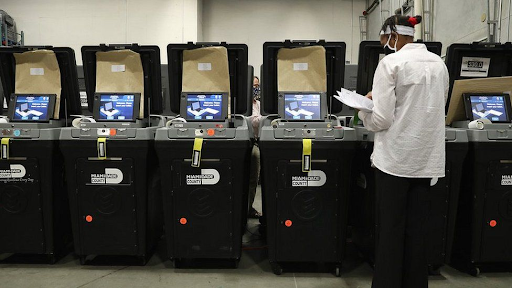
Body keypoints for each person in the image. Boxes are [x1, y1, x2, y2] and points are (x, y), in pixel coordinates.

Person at [358, 14, 449, 288]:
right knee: (417, 231)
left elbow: (382, 120)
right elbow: (436, 108)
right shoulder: (439, 64)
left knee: (390, 232)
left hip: (395, 162)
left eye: (384, 38)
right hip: (425, 160)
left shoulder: (391, 63)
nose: (384, 44)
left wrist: (363, 109)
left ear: (393, 36)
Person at [248, 76, 262, 218]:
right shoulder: (243, 106)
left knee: (254, 179)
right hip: (249, 142)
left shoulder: (258, 104)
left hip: (259, 141)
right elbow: (253, 121)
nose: (256, 89)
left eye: (257, 86)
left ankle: (249, 207)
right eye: (253, 86)